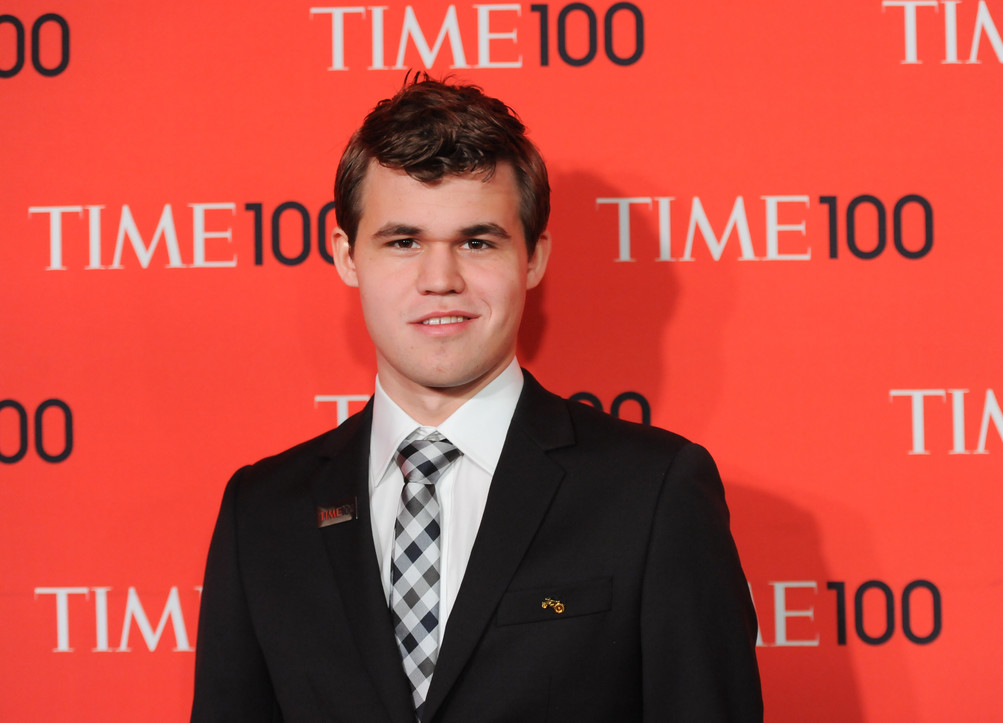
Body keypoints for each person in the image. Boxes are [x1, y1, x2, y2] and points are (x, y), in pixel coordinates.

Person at [191, 75, 762, 722]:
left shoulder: (652, 493)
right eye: (403, 242)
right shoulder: (263, 512)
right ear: (347, 256)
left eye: (477, 242)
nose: (440, 280)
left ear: (534, 258)